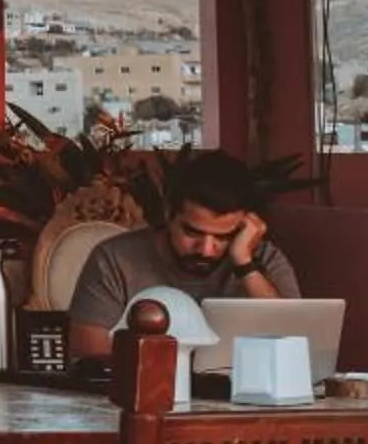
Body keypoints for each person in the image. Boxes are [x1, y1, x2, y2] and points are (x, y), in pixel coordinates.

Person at [66, 150, 301, 365]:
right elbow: (89, 356)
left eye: (223, 237)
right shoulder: (115, 259)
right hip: (145, 398)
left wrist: (245, 264)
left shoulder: (263, 260)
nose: (206, 249)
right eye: (192, 232)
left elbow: (294, 347)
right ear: (169, 213)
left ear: (245, 226)